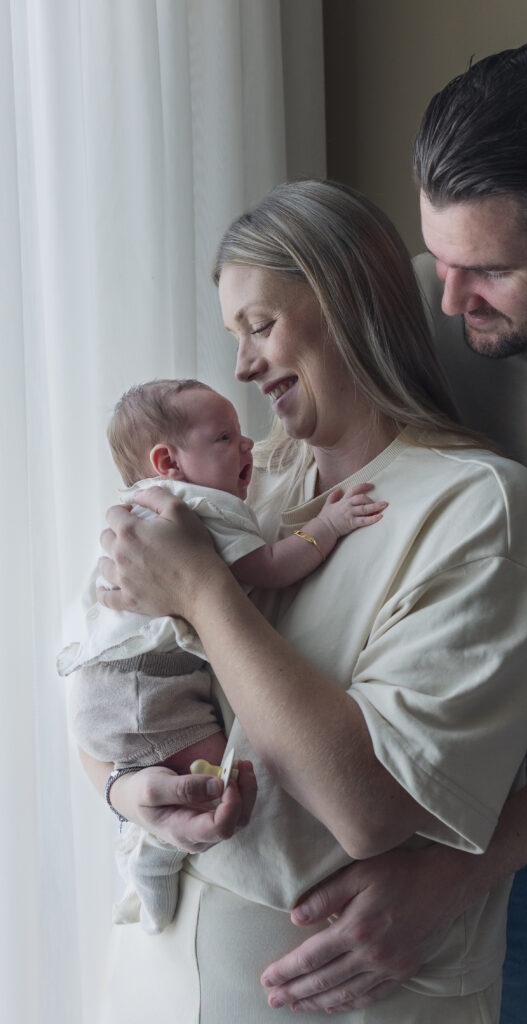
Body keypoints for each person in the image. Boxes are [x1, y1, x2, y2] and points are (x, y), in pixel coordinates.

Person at [253, 42, 527, 1024]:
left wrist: (453, 874)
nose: (442, 302)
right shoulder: (389, 302)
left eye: (484, 271)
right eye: (435, 258)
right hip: (326, 793)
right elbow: (249, 505)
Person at [84, 179, 527, 1023]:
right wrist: (129, 789)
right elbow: (101, 673)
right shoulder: (236, 484)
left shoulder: (474, 506)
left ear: (348, 306)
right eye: (235, 334)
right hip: (155, 974)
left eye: (260, 326)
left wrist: (203, 590)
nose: (240, 365)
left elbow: (368, 807)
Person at [60, 377, 386, 933]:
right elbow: (269, 568)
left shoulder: (135, 511)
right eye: (225, 437)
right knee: (214, 787)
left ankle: (142, 843)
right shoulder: (195, 509)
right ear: (167, 461)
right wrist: (326, 526)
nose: (248, 447)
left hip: (109, 687)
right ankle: (153, 856)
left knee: (174, 776)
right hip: (145, 687)